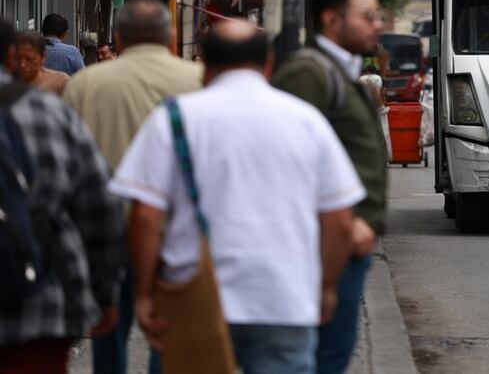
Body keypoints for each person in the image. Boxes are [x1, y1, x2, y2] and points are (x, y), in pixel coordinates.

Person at [110, 20, 366, 372]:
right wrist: (326, 287)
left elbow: (145, 216)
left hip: (193, 298)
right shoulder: (307, 121)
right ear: (269, 64)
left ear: (204, 64)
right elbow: (339, 220)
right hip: (283, 298)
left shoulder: (173, 118)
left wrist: (142, 294)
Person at [62, 0, 203, 374]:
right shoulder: (197, 80)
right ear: (170, 36)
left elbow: (68, 160)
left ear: (119, 38)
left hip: (102, 228)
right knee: (167, 327)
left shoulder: (86, 82)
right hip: (176, 228)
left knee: (108, 325)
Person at [272, 0, 388, 374]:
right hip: (324, 244)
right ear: (331, 20)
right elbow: (286, 163)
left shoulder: (339, 72)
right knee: (322, 359)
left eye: (379, 16)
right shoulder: (310, 73)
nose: (379, 25)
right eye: (368, 16)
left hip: (342, 244)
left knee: (332, 355)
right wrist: (346, 225)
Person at [0, 19, 125, 372]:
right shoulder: (49, 114)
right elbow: (98, 206)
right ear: (11, 56)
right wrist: (104, 291)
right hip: (38, 303)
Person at [12, 30, 69, 95]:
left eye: (30, 59)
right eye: (17, 58)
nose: (22, 65)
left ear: (43, 57)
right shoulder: (6, 82)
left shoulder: (60, 82)